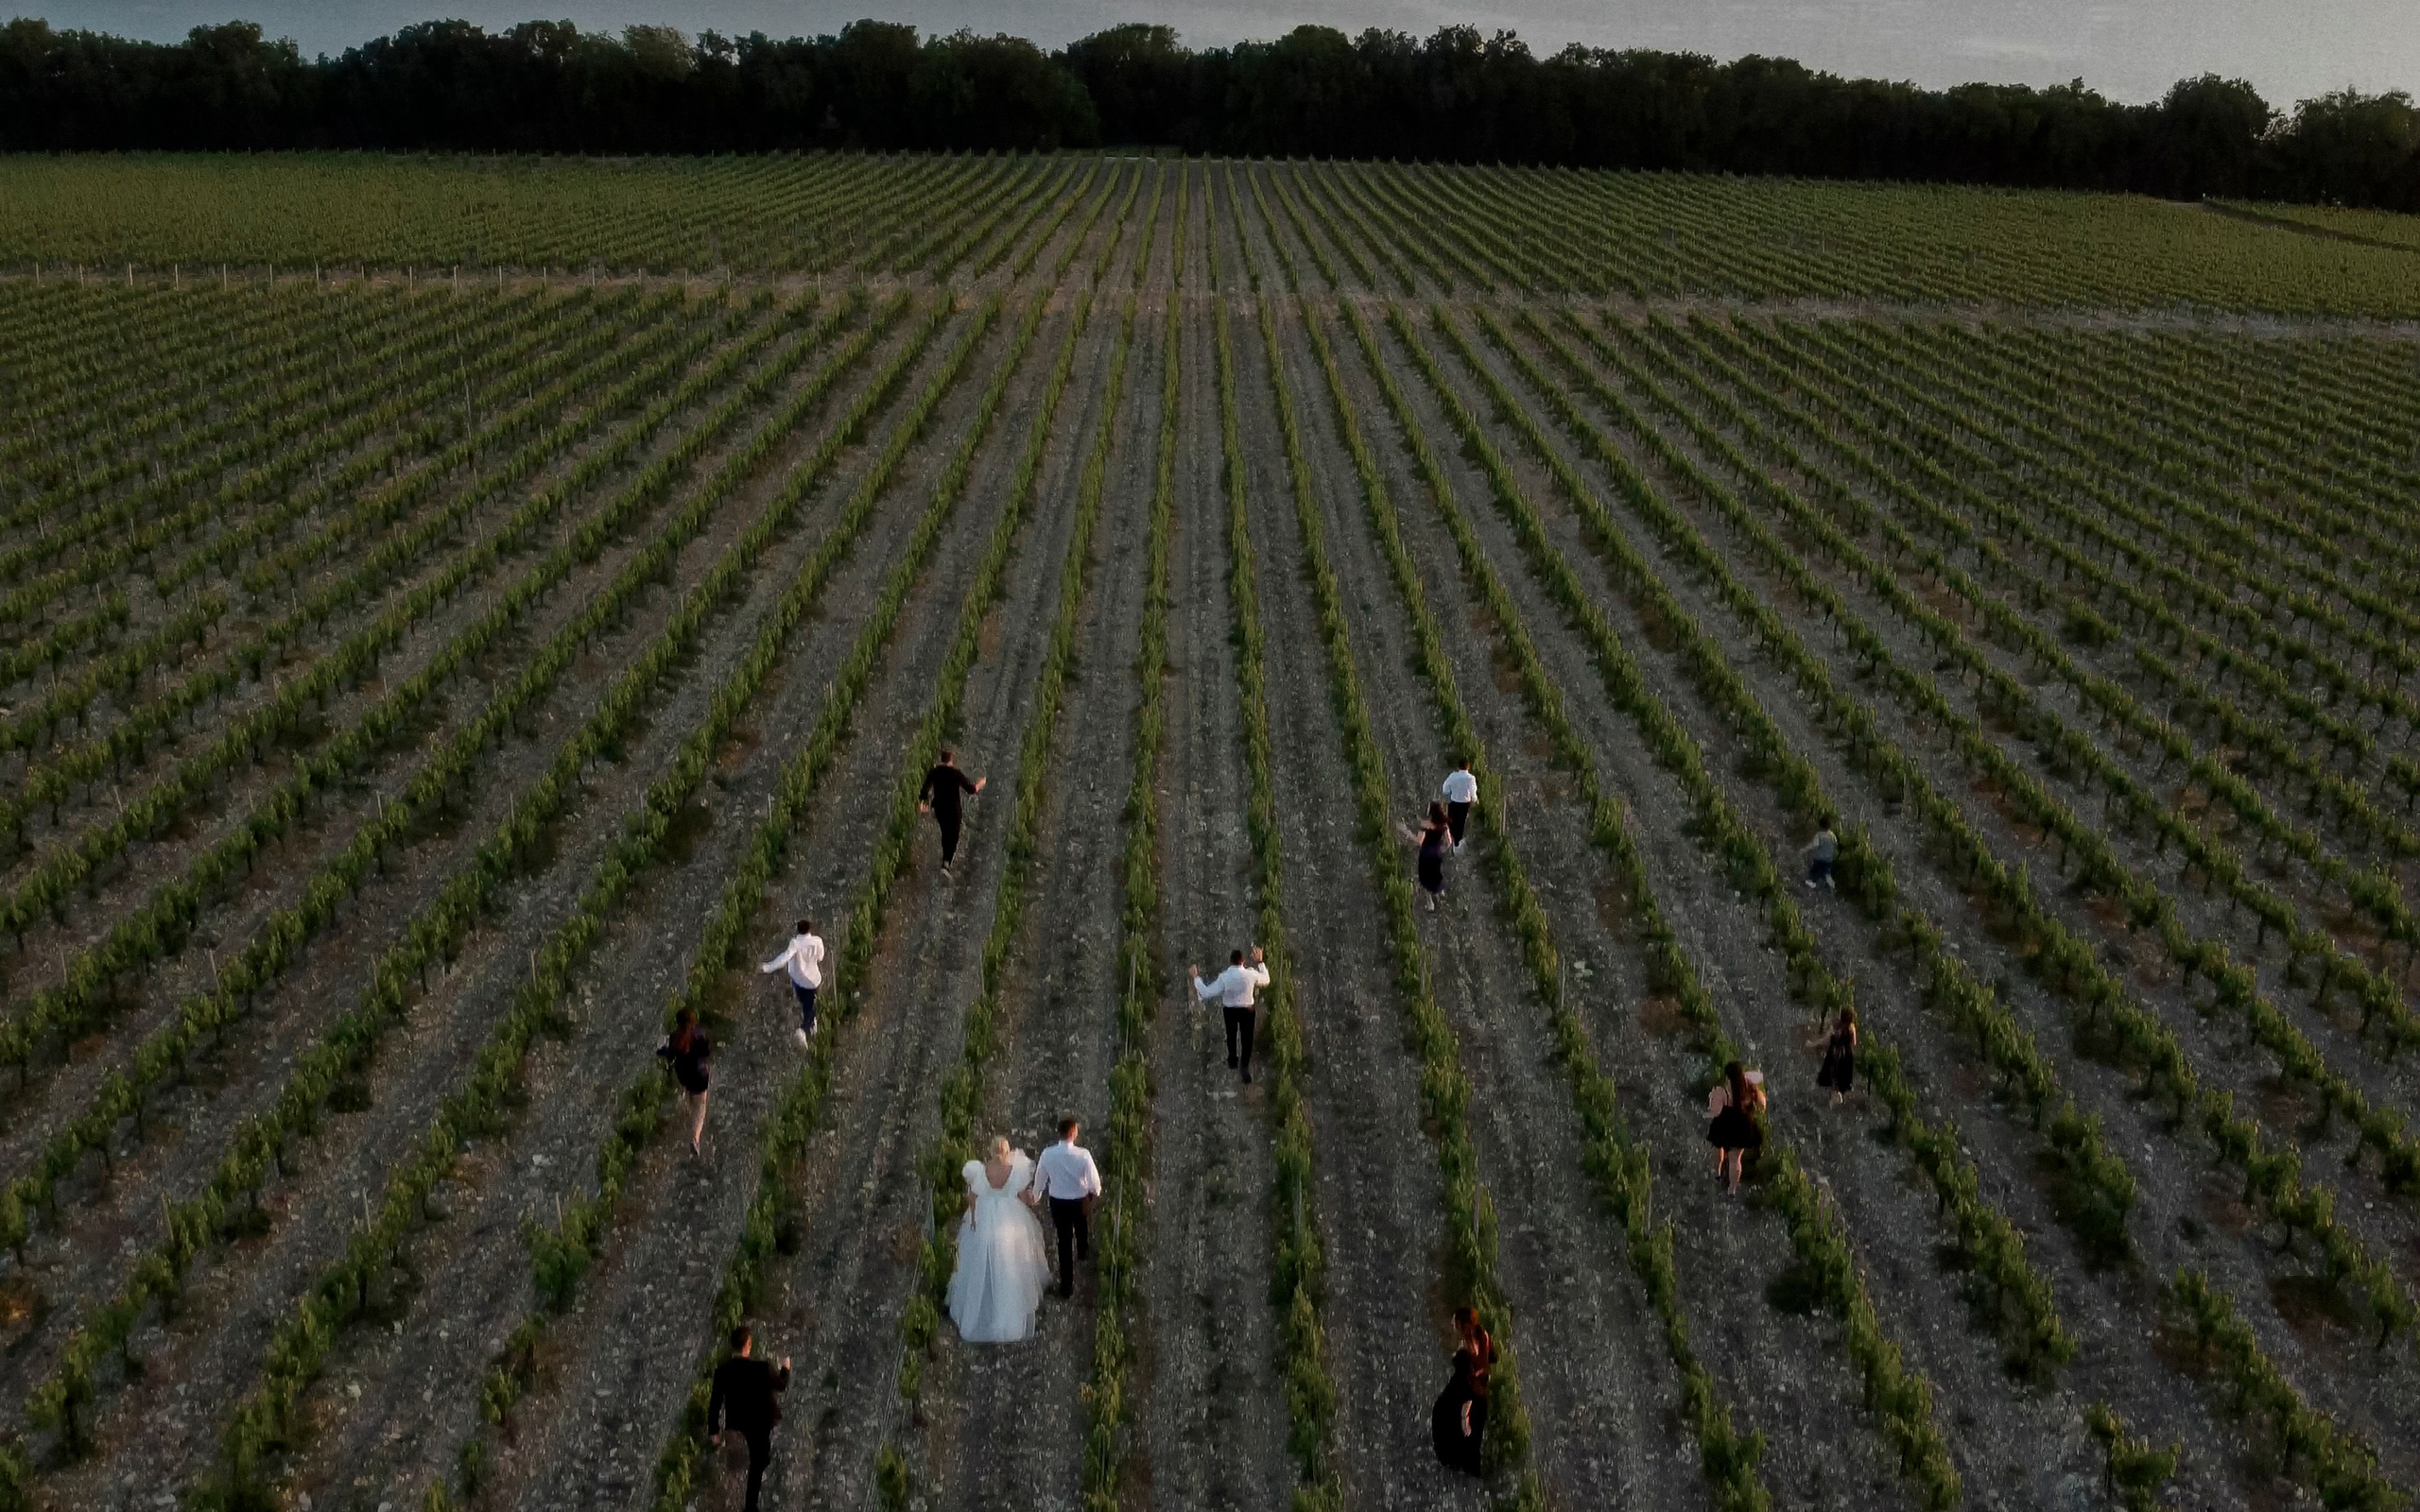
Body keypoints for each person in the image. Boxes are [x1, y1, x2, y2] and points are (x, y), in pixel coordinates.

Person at [946, 1135, 1051, 1343]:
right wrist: (1033, 1201)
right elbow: (1024, 1198)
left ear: (991, 1150)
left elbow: (972, 1197)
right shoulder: (1015, 1171)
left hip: (985, 1216)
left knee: (979, 1261)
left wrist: (973, 1218)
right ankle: (1008, 1317)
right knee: (1009, 1263)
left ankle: (981, 1303)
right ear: (1007, 1150)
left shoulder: (980, 1170)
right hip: (1010, 1218)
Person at [708, 1324, 791, 1512]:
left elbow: (715, 1403)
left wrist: (714, 1431)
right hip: (760, 1422)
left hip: (737, 1422)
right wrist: (785, 1368)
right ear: (748, 1345)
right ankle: (750, 1507)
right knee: (758, 1462)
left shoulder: (722, 1371)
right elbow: (781, 1385)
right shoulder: (762, 1368)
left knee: (755, 1456)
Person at [1034, 1117, 1103, 1299]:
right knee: (1081, 1225)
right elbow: (1094, 1181)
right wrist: (1094, 1192)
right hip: (1079, 1200)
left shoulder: (1048, 1154)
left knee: (1063, 1242)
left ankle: (1066, 1287)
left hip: (1058, 1201)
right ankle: (1082, 1250)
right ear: (1073, 1133)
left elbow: (1040, 1178)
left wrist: (1036, 1195)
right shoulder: (1083, 1155)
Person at [1188, 946, 1270, 1084]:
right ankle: (1244, 1065)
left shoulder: (1225, 977)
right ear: (1243, 961)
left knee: (1231, 1035)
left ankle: (1232, 1059)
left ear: (1231, 961)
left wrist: (1196, 977)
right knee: (1247, 1038)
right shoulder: (1250, 974)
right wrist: (1260, 962)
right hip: (1247, 1009)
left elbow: (1206, 992)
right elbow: (1266, 980)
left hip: (1230, 1010)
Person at [1430, 1306, 1495, 1475]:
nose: (1455, 1328)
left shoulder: (1474, 1343)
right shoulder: (1476, 1339)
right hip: (1471, 1391)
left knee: (1461, 1425)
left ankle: (1460, 1462)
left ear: (1466, 1325)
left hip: (1470, 1392)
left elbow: (1481, 1368)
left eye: (1457, 1324)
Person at [917, 747, 986, 875]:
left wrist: (922, 805)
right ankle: (946, 862)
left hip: (940, 808)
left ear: (942, 760)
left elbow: (925, 789)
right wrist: (980, 784)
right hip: (953, 809)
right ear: (952, 761)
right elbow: (971, 789)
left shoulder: (935, 772)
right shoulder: (956, 774)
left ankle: (945, 861)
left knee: (945, 832)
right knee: (953, 835)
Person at [760, 918, 826, 1047]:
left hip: (798, 982)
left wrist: (766, 968)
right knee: (811, 1005)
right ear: (810, 929)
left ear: (797, 930)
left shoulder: (795, 944)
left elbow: (783, 959)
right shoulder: (817, 941)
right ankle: (805, 1029)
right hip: (813, 981)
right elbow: (820, 958)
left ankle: (809, 1027)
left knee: (806, 1005)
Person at [1706, 1059, 1767, 1195]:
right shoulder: (1749, 1088)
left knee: (1718, 1147)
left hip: (1724, 1123)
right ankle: (1732, 1189)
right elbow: (1762, 1104)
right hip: (1743, 1125)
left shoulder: (1723, 1090)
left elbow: (1715, 1111)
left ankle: (1717, 1173)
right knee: (1735, 1159)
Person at [657, 1007, 712, 1156]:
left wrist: (662, 1050)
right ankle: (696, 1138)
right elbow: (706, 1052)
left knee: (690, 1091)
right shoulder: (700, 1034)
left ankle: (687, 1108)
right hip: (700, 1074)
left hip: (683, 1074)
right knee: (700, 1107)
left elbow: (669, 1055)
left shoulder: (674, 1037)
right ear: (693, 1020)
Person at [1399, 802, 1453, 911]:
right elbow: (1448, 842)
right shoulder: (1443, 825)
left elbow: (1419, 841)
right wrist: (1441, 849)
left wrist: (1406, 832)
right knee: (1436, 874)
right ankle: (1439, 891)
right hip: (1436, 854)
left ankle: (1430, 903)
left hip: (1426, 854)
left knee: (1425, 878)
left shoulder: (1425, 825)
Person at [1817, 1006, 1858, 1105]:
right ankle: (1840, 1093)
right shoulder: (1851, 1027)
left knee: (1833, 1073)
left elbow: (1825, 1040)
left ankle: (1834, 1094)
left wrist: (1813, 1043)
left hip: (1835, 1052)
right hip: (1847, 1054)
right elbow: (1854, 1043)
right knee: (1844, 1074)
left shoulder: (1835, 1027)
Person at [1440, 759, 1478, 853]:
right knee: (1461, 825)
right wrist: (1475, 800)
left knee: (1452, 823)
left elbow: (1445, 789)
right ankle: (1456, 845)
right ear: (1468, 767)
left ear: (1458, 767)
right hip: (1465, 805)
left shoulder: (1453, 776)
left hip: (1454, 803)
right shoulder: (1471, 778)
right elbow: (1473, 791)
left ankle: (1450, 841)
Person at [1804, 824, 1839, 890]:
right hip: (1828, 860)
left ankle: (1811, 886)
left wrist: (1805, 849)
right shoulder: (1832, 835)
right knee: (1827, 874)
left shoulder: (1819, 835)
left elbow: (1815, 845)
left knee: (1813, 874)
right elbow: (1835, 846)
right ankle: (1833, 887)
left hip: (1819, 859)